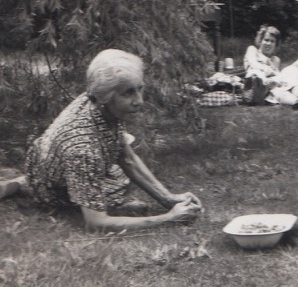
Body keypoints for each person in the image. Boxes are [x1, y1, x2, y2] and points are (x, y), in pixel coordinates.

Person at [0, 49, 202, 230]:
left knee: (120, 175)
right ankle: (24, 184)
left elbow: (127, 158)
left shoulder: (100, 104)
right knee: (110, 184)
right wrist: (167, 218)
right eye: (128, 93)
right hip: (54, 183)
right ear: (105, 96)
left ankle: (23, 182)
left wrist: (168, 198)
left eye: (140, 88)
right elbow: (96, 223)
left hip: (54, 160)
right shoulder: (82, 148)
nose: (139, 101)